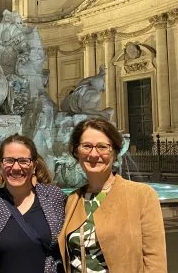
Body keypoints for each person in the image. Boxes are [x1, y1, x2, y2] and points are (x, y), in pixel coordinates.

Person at [58, 117, 167, 273]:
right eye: (86, 146)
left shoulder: (142, 195)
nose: (94, 154)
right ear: (77, 152)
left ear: (115, 152)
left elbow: (155, 262)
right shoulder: (73, 199)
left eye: (102, 147)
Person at [0, 134, 66, 273]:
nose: (16, 167)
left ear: (34, 166)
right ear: (0, 165)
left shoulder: (53, 197)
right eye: (9, 160)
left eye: (23, 161)